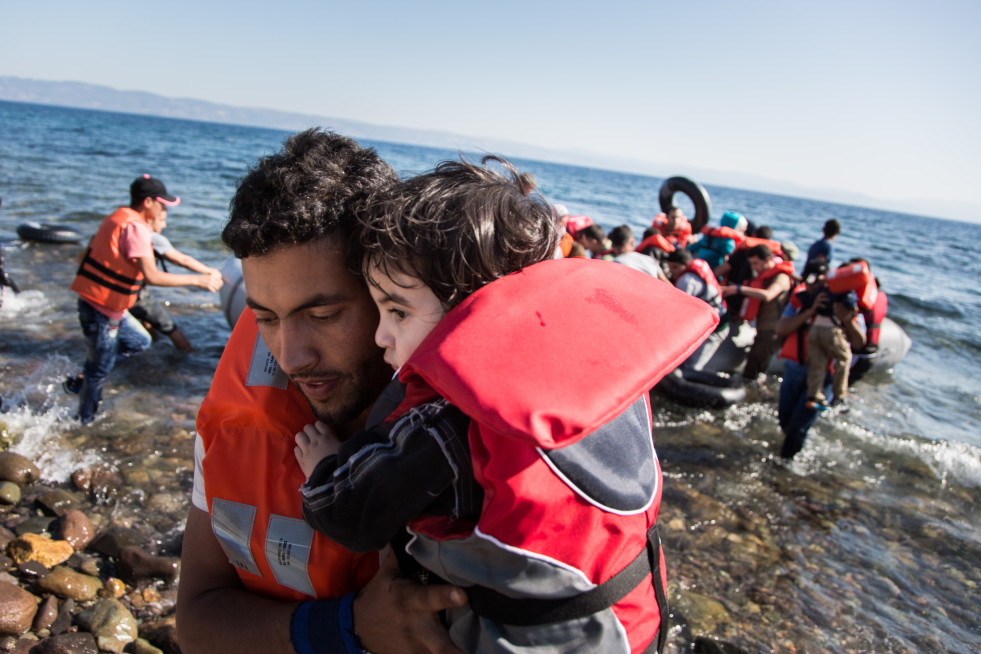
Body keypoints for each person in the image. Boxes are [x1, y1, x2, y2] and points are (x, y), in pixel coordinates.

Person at [293, 156, 720, 653]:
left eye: (397, 311)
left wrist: (323, 464)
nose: (380, 335)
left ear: (474, 314)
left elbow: (347, 514)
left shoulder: (444, 424)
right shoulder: (610, 371)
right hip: (635, 621)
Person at [176, 129, 468, 654]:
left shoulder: (472, 431)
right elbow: (196, 619)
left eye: (323, 314)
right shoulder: (234, 423)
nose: (291, 358)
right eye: (266, 318)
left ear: (390, 295)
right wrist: (349, 625)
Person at [66, 175, 222, 423]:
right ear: (147, 202)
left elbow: (82, 257)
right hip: (102, 310)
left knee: (139, 341)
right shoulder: (137, 227)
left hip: (96, 304)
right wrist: (198, 281)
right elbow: (151, 275)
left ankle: (83, 380)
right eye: (162, 205)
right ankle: (84, 421)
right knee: (99, 372)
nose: (164, 210)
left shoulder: (117, 217)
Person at [775, 260, 865, 459]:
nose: (815, 287)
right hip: (794, 369)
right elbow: (781, 329)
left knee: (798, 427)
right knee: (784, 419)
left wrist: (846, 319)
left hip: (823, 377)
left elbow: (860, 343)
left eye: (820, 283)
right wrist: (811, 310)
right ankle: (787, 452)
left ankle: (785, 464)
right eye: (810, 282)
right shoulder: (801, 301)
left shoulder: (843, 305)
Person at [128, 223, 222, 353]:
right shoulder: (152, 237)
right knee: (170, 327)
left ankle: (153, 348)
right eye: (161, 218)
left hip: (123, 293)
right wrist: (208, 273)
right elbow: (182, 260)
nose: (164, 224)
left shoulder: (126, 230)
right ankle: (187, 355)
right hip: (136, 296)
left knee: (147, 320)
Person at [721, 243, 796, 381]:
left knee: (754, 371)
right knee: (752, 368)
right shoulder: (765, 277)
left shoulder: (781, 277)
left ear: (768, 260)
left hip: (772, 332)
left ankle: (756, 392)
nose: (754, 268)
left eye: (756, 263)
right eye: (751, 264)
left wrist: (739, 289)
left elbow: (768, 295)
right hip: (762, 330)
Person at [665, 248, 728, 370]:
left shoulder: (687, 280)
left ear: (686, 265)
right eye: (670, 267)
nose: (672, 271)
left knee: (693, 367)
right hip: (709, 320)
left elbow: (677, 310)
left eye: (675, 267)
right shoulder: (693, 273)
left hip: (715, 329)